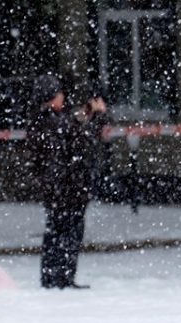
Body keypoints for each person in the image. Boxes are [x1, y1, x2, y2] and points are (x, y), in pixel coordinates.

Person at [28, 73, 107, 289]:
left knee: (56, 231)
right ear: (51, 96)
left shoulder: (42, 120)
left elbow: (74, 127)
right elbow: (82, 140)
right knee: (67, 233)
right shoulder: (53, 122)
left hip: (57, 188)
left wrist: (88, 113)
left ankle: (53, 278)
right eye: (59, 93)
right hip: (68, 188)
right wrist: (97, 117)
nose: (63, 97)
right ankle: (62, 278)